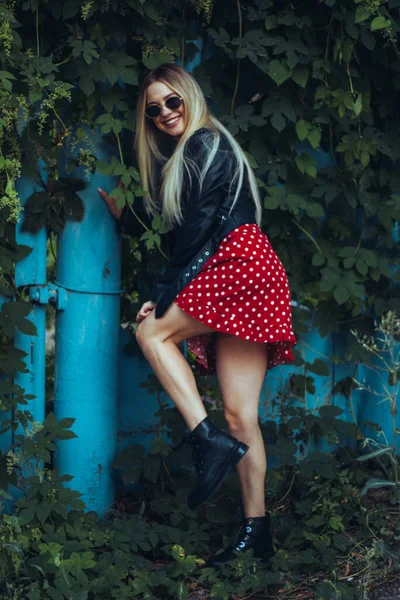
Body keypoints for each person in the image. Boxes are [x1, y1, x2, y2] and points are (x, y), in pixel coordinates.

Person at [98, 63, 297, 568]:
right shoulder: (194, 154)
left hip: (235, 265)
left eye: (172, 101)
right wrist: (146, 246)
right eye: (154, 108)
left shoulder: (204, 144)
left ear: (190, 97)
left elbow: (196, 237)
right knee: (241, 415)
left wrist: (164, 295)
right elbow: (187, 236)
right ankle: (259, 534)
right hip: (239, 265)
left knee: (151, 334)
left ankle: (204, 441)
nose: (165, 113)